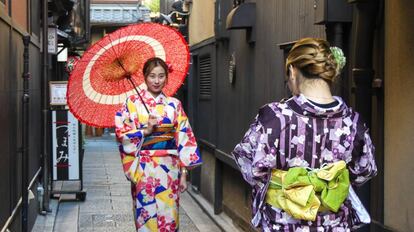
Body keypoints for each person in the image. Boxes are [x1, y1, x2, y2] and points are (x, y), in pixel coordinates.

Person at [232, 38, 377, 231]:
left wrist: (292, 190)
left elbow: (248, 162)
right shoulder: (353, 122)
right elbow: (365, 169)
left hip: (283, 224)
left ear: (292, 71)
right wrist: (328, 185)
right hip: (334, 224)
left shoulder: (275, 117)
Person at [115, 57, 202, 231]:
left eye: (161, 76)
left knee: (169, 215)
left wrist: (184, 173)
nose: (156, 81)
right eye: (152, 76)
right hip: (143, 169)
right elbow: (121, 134)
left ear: (166, 78)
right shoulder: (131, 104)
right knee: (144, 214)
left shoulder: (174, 105)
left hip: (169, 169)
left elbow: (184, 139)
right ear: (145, 77)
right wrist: (145, 132)